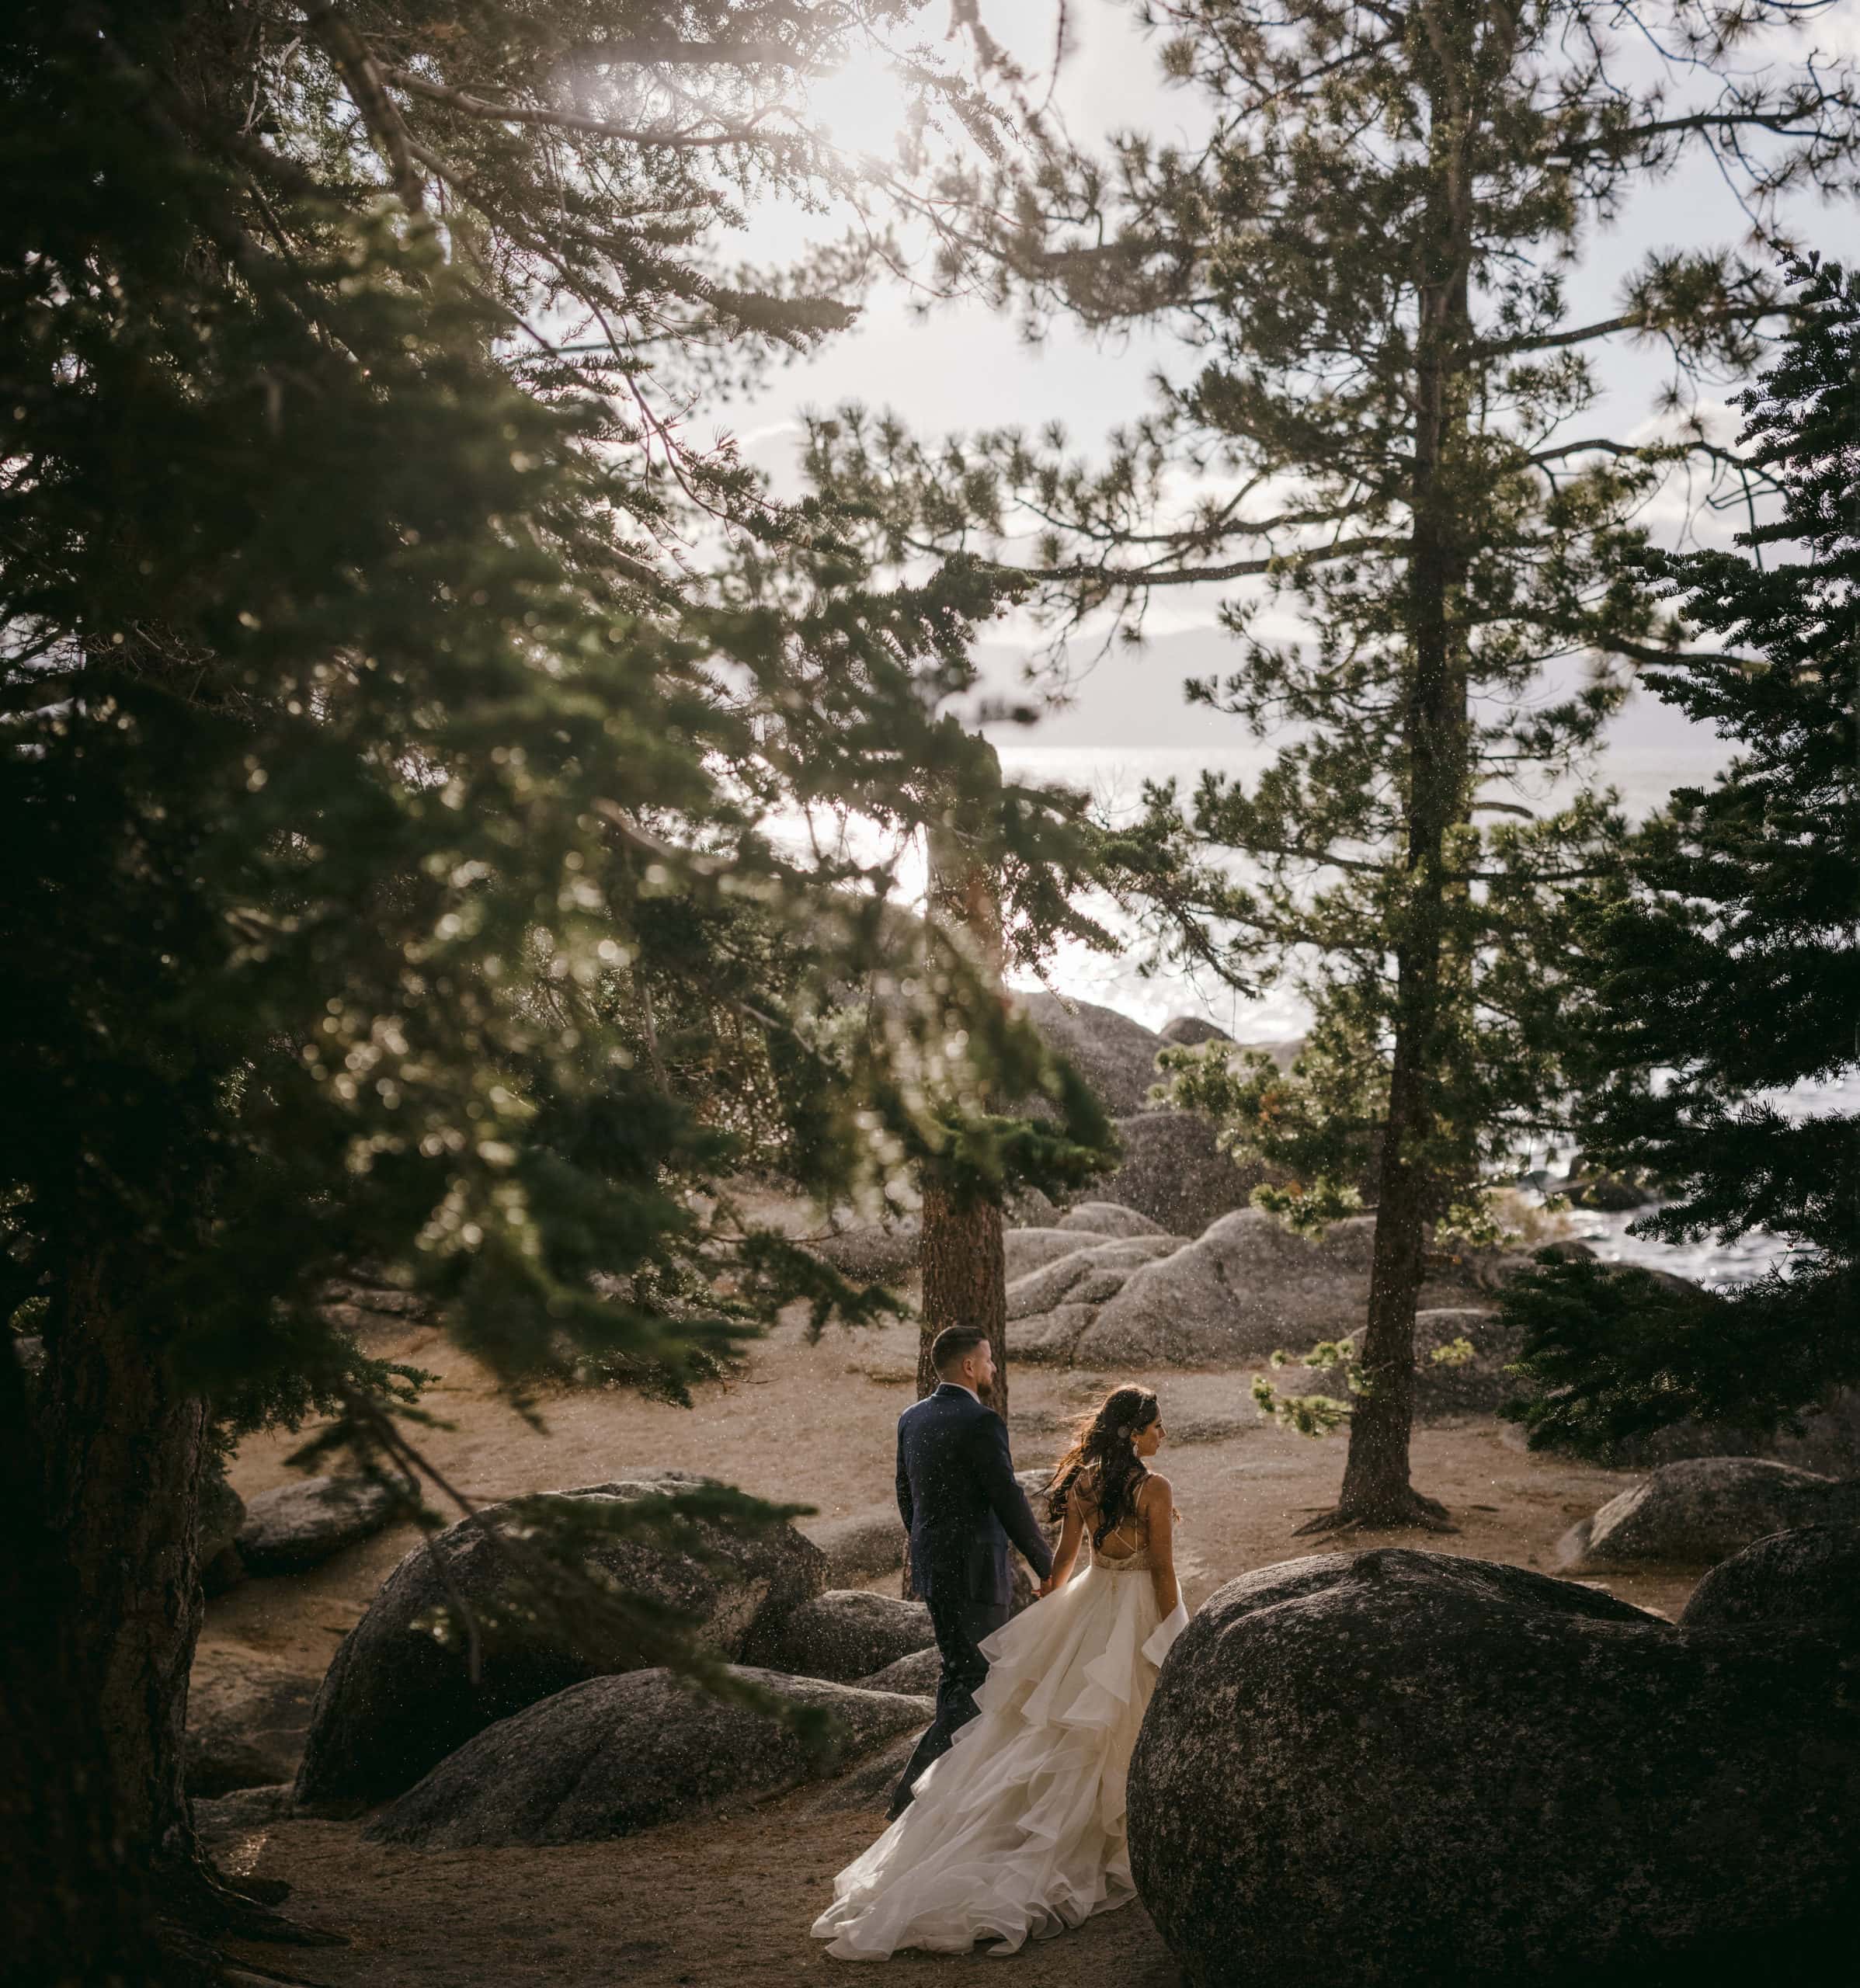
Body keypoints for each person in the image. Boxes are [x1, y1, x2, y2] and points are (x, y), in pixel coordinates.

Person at [812, 1382, 1188, 1961]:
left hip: (1090, 1602)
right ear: (1135, 1431)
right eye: (1157, 1424)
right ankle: (1111, 1845)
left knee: (1059, 1730)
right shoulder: (1153, 1487)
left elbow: (1064, 1560)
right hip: (1132, 1608)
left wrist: (1051, 1600)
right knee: (1112, 1726)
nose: (1162, 1434)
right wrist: (1174, 1637)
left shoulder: (1084, 1481)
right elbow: (1161, 1571)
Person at [885, 1323, 1055, 1821]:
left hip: (935, 1571)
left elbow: (905, 1494)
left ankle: (939, 1794)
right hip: (978, 1574)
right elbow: (1008, 1498)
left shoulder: (911, 1418)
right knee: (978, 1679)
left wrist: (928, 1549)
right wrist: (1048, 1566)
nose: (993, 1368)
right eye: (988, 1360)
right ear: (969, 1367)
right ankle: (911, 1799)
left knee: (958, 1674)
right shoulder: (982, 1422)